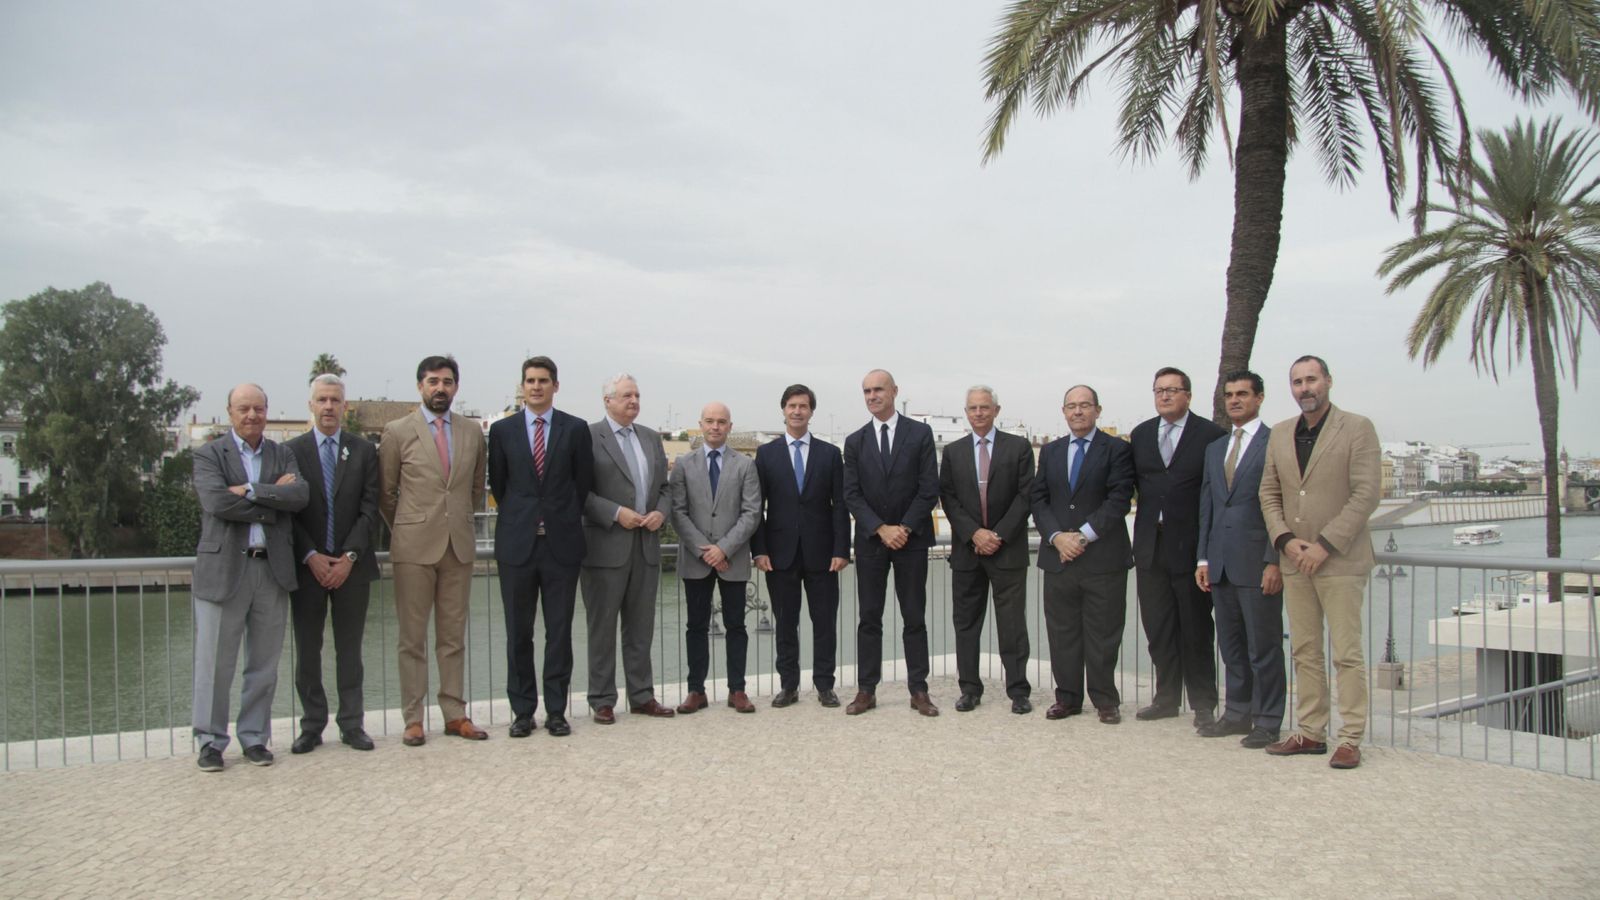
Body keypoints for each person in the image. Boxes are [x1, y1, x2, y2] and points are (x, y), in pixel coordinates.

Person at [1259, 355, 1381, 770]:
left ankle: (1350, 737)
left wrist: (1325, 544)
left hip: (1339, 560)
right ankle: (1310, 731)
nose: (1304, 387)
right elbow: (1269, 493)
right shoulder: (1279, 434)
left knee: (1346, 652)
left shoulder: (1358, 428)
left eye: (1311, 379)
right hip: (1294, 561)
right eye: (1297, 381)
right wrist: (1286, 541)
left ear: (1328, 381)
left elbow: (1366, 494)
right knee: (1306, 651)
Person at [190, 383, 309, 771]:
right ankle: (210, 742)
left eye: (258, 408)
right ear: (230, 411)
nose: (252, 415)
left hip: (270, 570)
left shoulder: (282, 453)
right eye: (244, 408)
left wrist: (250, 491)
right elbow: (216, 502)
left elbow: (300, 497)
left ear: (267, 411)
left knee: (264, 663)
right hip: (225, 571)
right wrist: (271, 495)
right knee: (215, 664)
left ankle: (254, 738)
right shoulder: (209, 454)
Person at [379, 355, 488, 747]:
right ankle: (413, 718)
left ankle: (455, 713)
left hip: (457, 544)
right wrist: (411, 524)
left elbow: (475, 488)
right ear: (420, 386)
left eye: (446, 381)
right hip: (412, 547)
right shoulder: (396, 431)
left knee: (453, 637)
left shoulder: (472, 432)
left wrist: (452, 518)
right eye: (432, 381)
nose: (439, 388)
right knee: (412, 638)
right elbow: (386, 492)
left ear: (456, 387)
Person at [487, 356, 594, 738]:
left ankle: (555, 711)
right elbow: (500, 486)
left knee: (559, 632)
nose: (536, 386)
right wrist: (526, 518)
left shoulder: (576, 429)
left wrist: (557, 517)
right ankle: (522, 711)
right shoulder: (502, 431)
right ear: (522, 386)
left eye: (543, 380)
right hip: (517, 546)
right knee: (518, 632)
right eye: (530, 380)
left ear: (555, 386)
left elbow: (582, 485)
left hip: (561, 547)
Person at [1029, 385, 1135, 725]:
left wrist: (1083, 536)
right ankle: (1068, 698)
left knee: (1104, 634)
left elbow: (1119, 499)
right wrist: (1058, 537)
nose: (1078, 411)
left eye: (1084, 406)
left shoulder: (1117, 449)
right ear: (1063, 412)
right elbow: (1039, 499)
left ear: (1097, 410)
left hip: (1103, 559)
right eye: (1071, 406)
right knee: (1062, 633)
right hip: (1058, 559)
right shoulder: (1051, 451)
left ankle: (1105, 700)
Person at [286, 374, 380, 754]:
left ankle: (352, 724)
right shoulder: (291, 451)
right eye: (322, 400)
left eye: (335, 400)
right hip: (307, 567)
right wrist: (310, 556)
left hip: (351, 569)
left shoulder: (363, 451)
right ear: (311, 405)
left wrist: (348, 557)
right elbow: (288, 512)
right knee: (308, 650)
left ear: (345, 406)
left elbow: (370, 509)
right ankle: (311, 725)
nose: (328, 406)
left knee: (350, 650)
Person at [1130, 367, 1227, 727]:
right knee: (1158, 628)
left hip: (1191, 550)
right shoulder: (1140, 436)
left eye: (1173, 390)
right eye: (1159, 390)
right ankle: (1166, 698)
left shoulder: (1211, 435)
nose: (1165, 396)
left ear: (1188, 394)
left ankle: (1203, 704)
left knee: (1196, 628)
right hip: (1150, 549)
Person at [1194, 370, 1286, 749]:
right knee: (1230, 646)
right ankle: (1236, 713)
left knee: (1262, 648)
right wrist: (1203, 558)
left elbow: (1282, 504)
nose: (1234, 400)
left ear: (1259, 398)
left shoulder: (1274, 442)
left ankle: (1267, 720)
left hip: (1257, 563)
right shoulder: (1216, 448)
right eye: (1229, 394)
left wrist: (1274, 560)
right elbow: (1209, 507)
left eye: (1243, 394)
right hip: (1220, 564)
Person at [842, 369, 940, 716]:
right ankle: (866, 690)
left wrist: (905, 528)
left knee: (914, 616)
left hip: (911, 541)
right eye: (867, 391)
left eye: (878, 389)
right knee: (870, 617)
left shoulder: (920, 434)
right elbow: (851, 494)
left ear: (894, 391)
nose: (872, 396)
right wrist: (881, 528)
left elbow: (929, 488)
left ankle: (919, 690)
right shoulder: (855, 442)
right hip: (871, 542)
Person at [581, 373, 675, 723]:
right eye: (626, 395)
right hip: (604, 548)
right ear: (607, 400)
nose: (633, 401)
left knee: (640, 628)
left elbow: (665, 488)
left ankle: (642, 695)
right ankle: (602, 699)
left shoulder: (650, 438)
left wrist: (660, 513)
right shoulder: (588, 436)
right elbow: (580, 492)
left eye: (636, 395)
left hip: (645, 545)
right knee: (602, 628)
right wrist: (615, 513)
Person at [938, 385, 1035, 714]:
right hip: (968, 552)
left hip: (1007, 551)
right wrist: (974, 534)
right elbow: (948, 498)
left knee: (1012, 624)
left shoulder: (1019, 448)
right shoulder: (953, 452)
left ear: (996, 410)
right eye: (972, 408)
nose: (978, 413)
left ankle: (1018, 691)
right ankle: (969, 689)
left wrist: (998, 535)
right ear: (966, 413)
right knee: (966, 624)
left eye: (984, 407)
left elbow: (1025, 497)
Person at [751, 384, 850, 709]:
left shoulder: (829, 454)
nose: (797, 411)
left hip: (823, 555)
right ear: (783, 410)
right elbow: (757, 506)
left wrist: (841, 550)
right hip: (779, 556)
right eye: (792, 405)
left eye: (803, 406)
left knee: (824, 623)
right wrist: (759, 550)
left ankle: (825, 686)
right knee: (786, 624)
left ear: (811, 411)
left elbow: (840, 506)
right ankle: (788, 686)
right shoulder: (766, 454)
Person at [669, 402, 763, 714]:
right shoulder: (683, 464)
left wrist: (723, 549)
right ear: (701, 424)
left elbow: (752, 513)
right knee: (695, 627)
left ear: (730, 426)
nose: (715, 427)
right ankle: (696, 690)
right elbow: (678, 512)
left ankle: (737, 690)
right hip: (695, 560)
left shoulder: (745, 465)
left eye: (721, 422)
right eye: (709, 421)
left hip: (732, 559)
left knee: (736, 626)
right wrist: (706, 550)